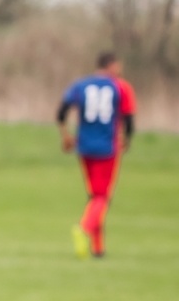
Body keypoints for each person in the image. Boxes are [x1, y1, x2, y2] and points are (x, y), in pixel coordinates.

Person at [58, 52, 136, 259]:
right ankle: (84, 229)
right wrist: (126, 140)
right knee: (102, 197)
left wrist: (65, 136)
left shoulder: (80, 85)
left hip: (84, 147)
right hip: (108, 148)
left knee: (94, 196)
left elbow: (61, 112)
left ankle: (98, 248)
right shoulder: (121, 87)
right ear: (111, 65)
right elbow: (128, 120)